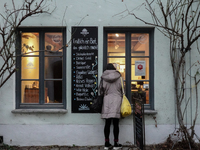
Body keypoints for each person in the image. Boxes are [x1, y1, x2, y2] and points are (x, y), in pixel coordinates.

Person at [100, 63, 123, 150]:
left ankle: (106, 143)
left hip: (107, 100)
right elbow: (122, 89)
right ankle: (116, 144)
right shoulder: (119, 77)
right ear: (114, 68)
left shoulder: (103, 78)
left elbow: (101, 90)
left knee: (107, 123)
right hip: (117, 100)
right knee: (116, 123)